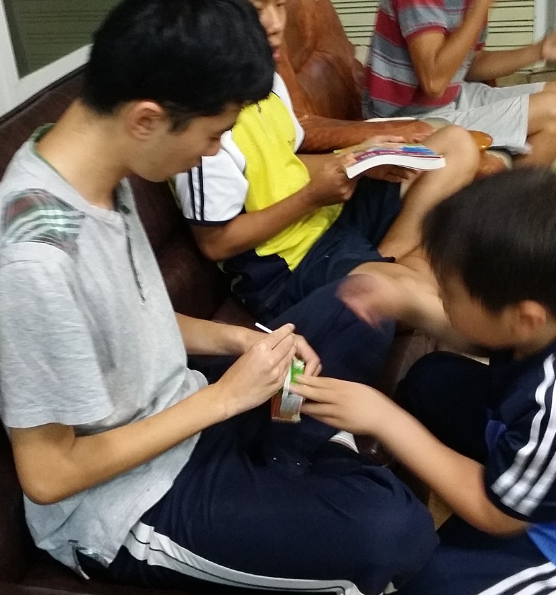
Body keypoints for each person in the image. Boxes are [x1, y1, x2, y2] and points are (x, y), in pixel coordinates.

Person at [0, 1, 438, 594]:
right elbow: (48, 474)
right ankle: (300, 464)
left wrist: (242, 340)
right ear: (147, 120)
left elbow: (129, 318)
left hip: (189, 409)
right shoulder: (35, 258)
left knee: (363, 300)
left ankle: (291, 462)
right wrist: (227, 397)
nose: (211, 154)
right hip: (129, 501)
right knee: (395, 531)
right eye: (212, 136)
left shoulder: (96, 168)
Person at [293, 168, 556, 595]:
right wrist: (408, 304)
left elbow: (498, 516)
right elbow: (491, 337)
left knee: (428, 583)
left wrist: (383, 418)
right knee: (432, 380)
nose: (440, 299)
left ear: (524, 317)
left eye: (449, 294)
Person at [173, 0, 481, 324]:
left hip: (327, 218)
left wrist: (359, 158)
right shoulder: (203, 121)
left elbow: (285, 161)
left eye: (280, 5)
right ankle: (388, 278)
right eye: (259, 10)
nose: (276, 24)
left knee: (456, 144)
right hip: (289, 263)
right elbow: (216, 244)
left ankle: (384, 260)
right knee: (424, 288)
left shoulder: (269, 78)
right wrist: (311, 197)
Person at [363, 0, 556, 166]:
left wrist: (541, 50)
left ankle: (509, 200)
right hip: (407, 120)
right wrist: (480, 6)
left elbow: (469, 66)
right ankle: (509, 212)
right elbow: (434, 81)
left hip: (451, 100)